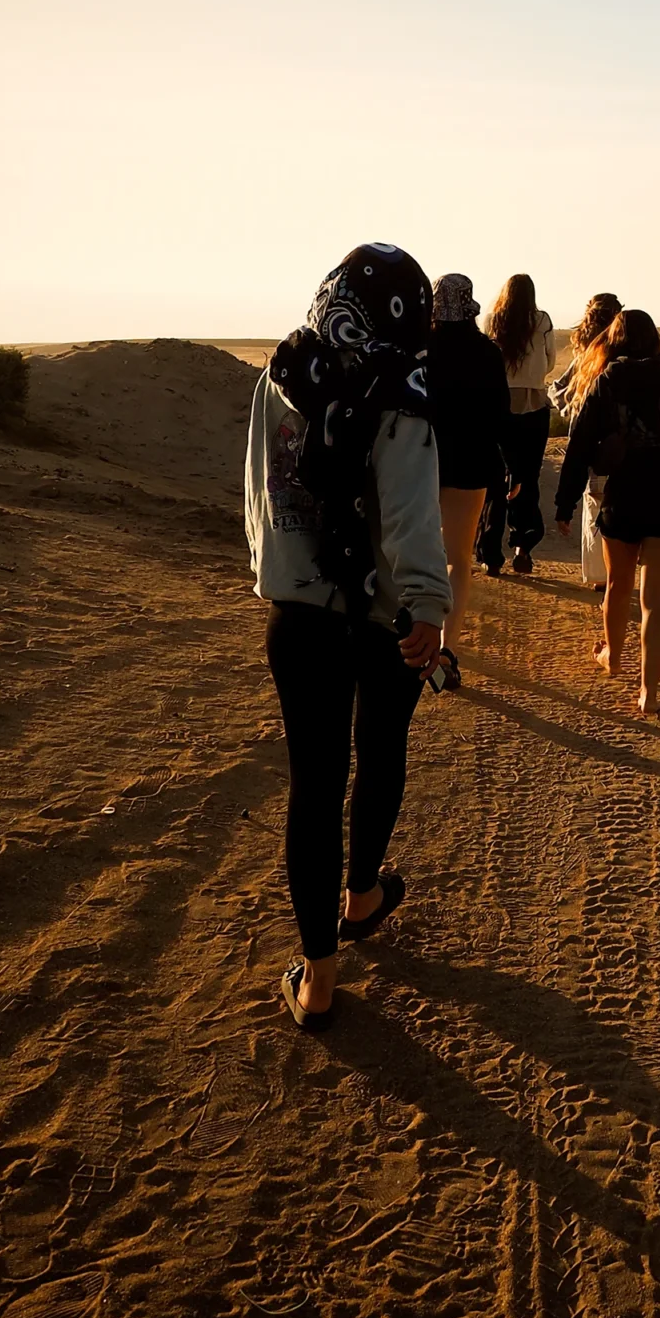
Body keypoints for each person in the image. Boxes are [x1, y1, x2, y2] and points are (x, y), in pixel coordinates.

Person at [244, 242, 450, 1031]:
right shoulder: (401, 386)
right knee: (383, 748)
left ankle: (319, 979)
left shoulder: (282, 371)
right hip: (388, 614)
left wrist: (283, 575)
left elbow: (262, 491)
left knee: (315, 782)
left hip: (298, 614)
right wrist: (429, 603)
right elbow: (406, 512)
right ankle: (363, 892)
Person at [554, 308, 660, 715]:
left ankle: (612, 655)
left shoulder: (605, 382)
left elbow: (578, 446)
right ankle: (649, 692)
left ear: (616, 340)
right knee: (656, 600)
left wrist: (565, 501)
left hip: (622, 499)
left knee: (617, 586)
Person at [424, 273, 509, 686]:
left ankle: (407, 642)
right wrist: (508, 466)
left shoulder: (418, 350)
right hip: (471, 463)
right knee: (458, 557)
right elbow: (500, 416)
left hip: (419, 462)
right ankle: (446, 648)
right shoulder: (487, 353)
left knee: (412, 551)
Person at [477, 274, 555, 577]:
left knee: (495, 479)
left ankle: (491, 554)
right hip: (534, 404)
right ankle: (523, 546)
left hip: (498, 404)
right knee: (528, 476)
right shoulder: (543, 320)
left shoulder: (492, 320)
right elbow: (550, 362)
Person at [552, 291, 622, 590]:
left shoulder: (586, 355)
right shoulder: (629, 354)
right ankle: (621, 573)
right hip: (626, 445)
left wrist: (572, 411)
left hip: (592, 446)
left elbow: (558, 391)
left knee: (596, 509)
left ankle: (601, 578)